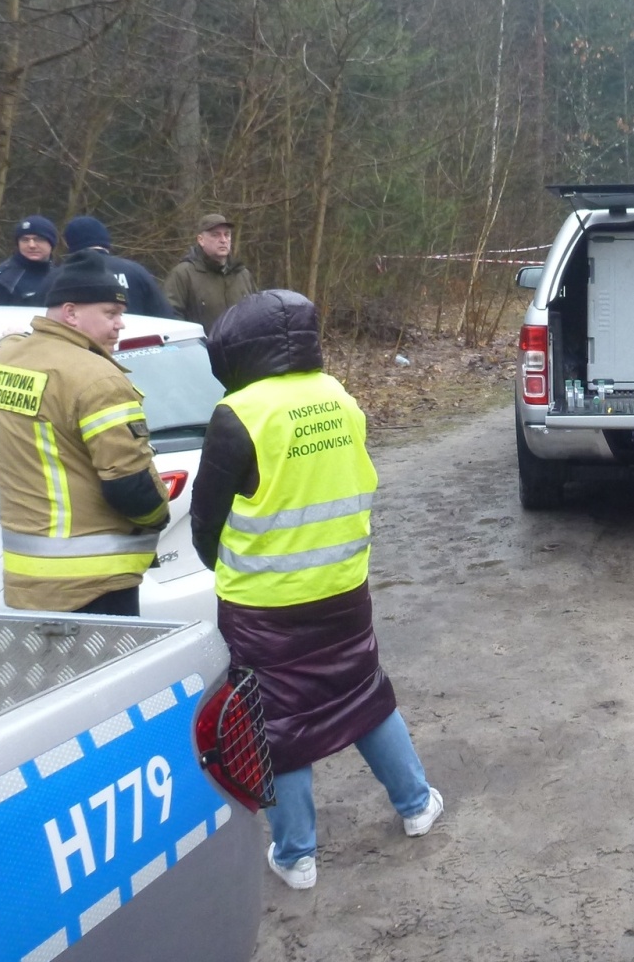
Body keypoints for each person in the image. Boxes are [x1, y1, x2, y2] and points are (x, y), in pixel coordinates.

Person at [190, 289, 442, 891]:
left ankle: (296, 856)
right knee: (364, 694)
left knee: (275, 723)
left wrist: (224, 568)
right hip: (344, 590)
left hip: (264, 607)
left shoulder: (239, 413)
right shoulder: (339, 397)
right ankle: (416, 805)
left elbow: (205, 520)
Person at [0, 250, 170, 616]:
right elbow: (129, 488)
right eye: (111, 313)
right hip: (95, 582)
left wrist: (12, 340)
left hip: (26, 578)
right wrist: (159, 517)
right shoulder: (98, 379)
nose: (120, 325)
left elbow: (1, 350)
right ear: (71, 313)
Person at [62, 215, 177, 319]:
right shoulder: (136, 271)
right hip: (138, 334)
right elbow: (165, 316)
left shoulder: (61, 275)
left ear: (69, 244)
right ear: (105, 240)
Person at [165, 213, 258, 332]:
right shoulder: (183, 274)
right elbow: (170, 317)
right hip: (201, 344)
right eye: (215, 235)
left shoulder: (242, 274)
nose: (223, 240)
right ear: (201, 240)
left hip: (241, 343)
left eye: (227, 234)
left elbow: (257, 314)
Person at [0, 214, 59, 307]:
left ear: (51, 243)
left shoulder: (61, 275)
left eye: (39, 239)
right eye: (25, 240)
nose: (31, 245)